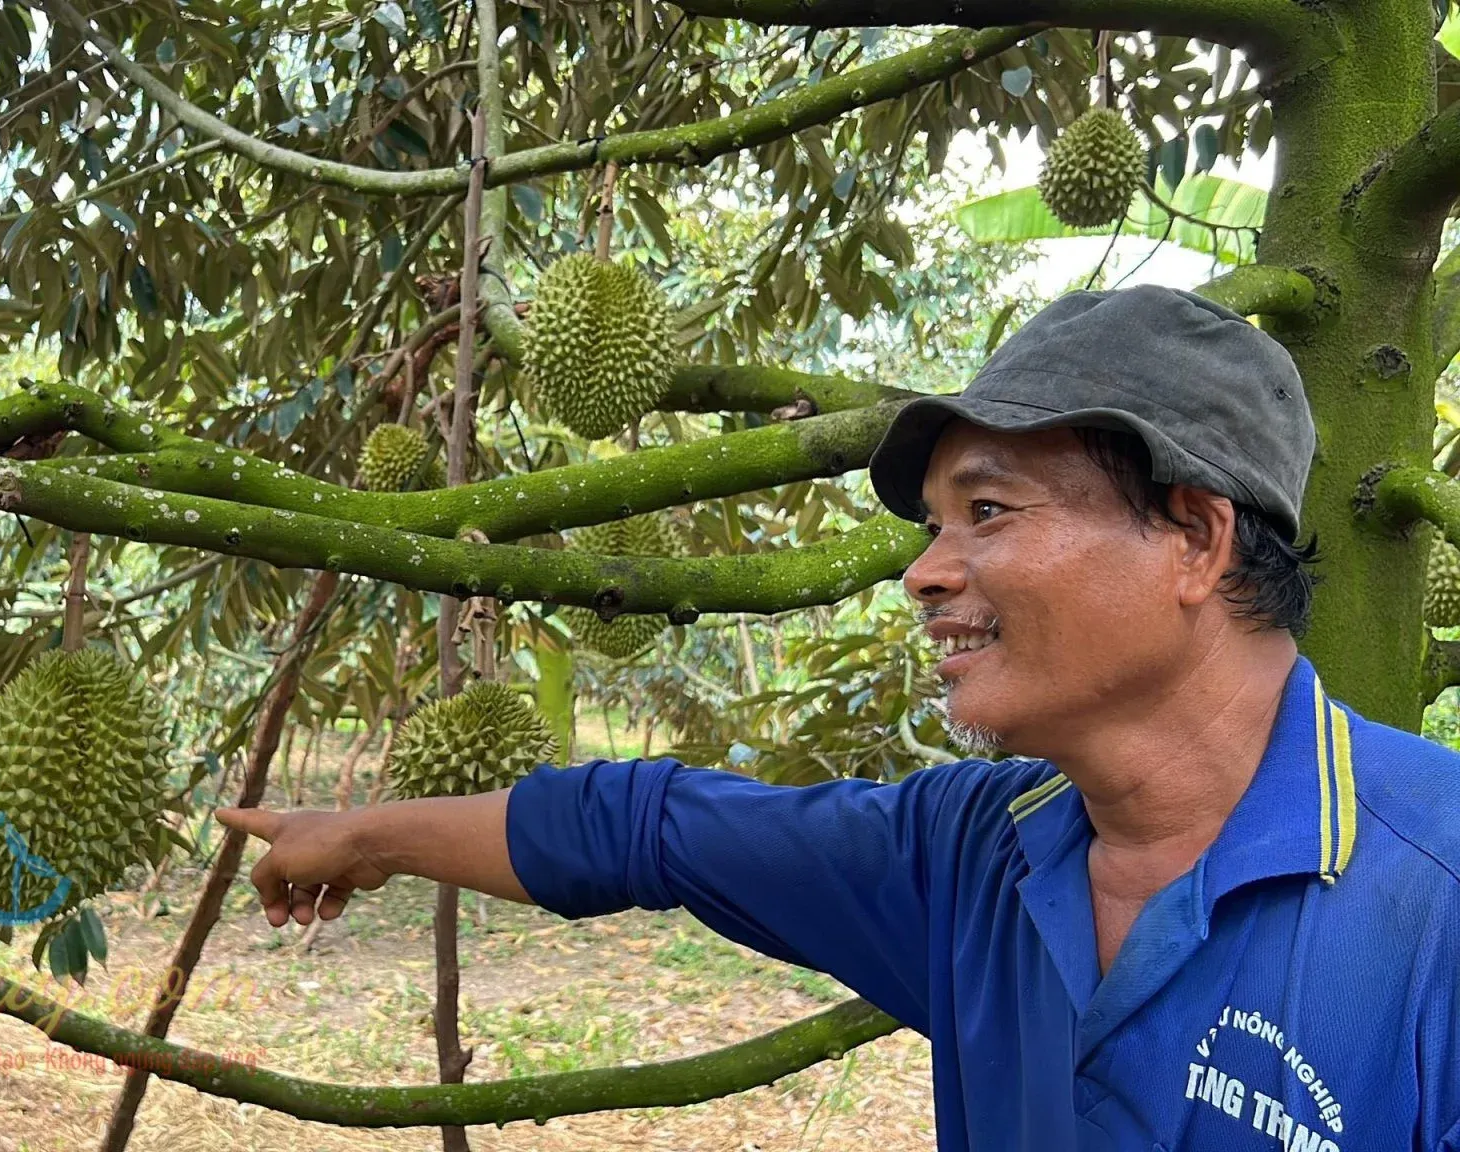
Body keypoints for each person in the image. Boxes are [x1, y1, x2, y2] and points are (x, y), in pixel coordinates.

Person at [210, 287, 1460, 1151]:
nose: (922, 571)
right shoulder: (969, 854)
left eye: (986, 513)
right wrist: (367, 834)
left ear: (1192, 537)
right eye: (930, 525)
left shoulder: (1435, 899)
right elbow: (648, 828)